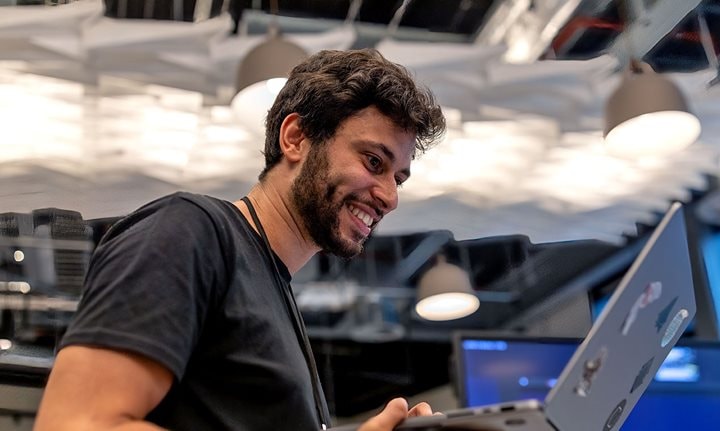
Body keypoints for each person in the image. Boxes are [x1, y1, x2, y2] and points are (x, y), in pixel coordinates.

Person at [33, 48, 446, 431]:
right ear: (296, 138)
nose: (389, 197)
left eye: (398, 179)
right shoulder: (190, 230)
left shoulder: (273, 288)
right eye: (374, 161)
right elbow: (77, 422)